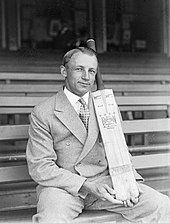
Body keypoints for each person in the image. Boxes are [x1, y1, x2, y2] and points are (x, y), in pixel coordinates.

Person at [26, 47, 170, 223]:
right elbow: (40, 166)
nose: (86, 77)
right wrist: (85, 185)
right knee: (51, 219)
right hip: (64, 188)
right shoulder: (43, 112)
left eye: (91, 71)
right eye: (79, 69)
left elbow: (120, 150)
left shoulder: (106, 106)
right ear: (64, 71)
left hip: (107, 184)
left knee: (161, 204)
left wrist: (128, 181)